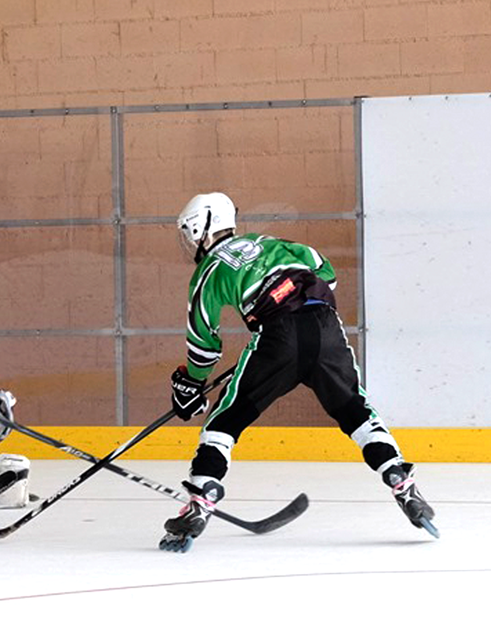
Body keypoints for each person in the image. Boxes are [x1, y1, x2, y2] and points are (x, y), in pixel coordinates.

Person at [159, 191, 437, 553]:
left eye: (190, 232)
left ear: (202, 228)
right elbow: (326, 272)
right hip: (326, 326)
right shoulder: (269, 242)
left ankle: (201, 500)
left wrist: (193, 384)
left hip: (277, 338)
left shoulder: (208, 271)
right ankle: (401, 481)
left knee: (224, 422)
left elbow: (204, 344)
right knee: (356, 411)